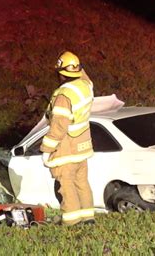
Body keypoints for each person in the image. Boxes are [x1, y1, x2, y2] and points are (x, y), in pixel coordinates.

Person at [40, 51, 95, 225]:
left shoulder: (64, 95)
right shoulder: (85, 86)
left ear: (60, 73)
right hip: (82, 148)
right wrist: (78, 64)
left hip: (67, 149)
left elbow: (58, 127)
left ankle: (71, 221)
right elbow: (86, 77)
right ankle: (88, 218)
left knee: (67, 185)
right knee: (82, 183)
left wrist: (46, 149)